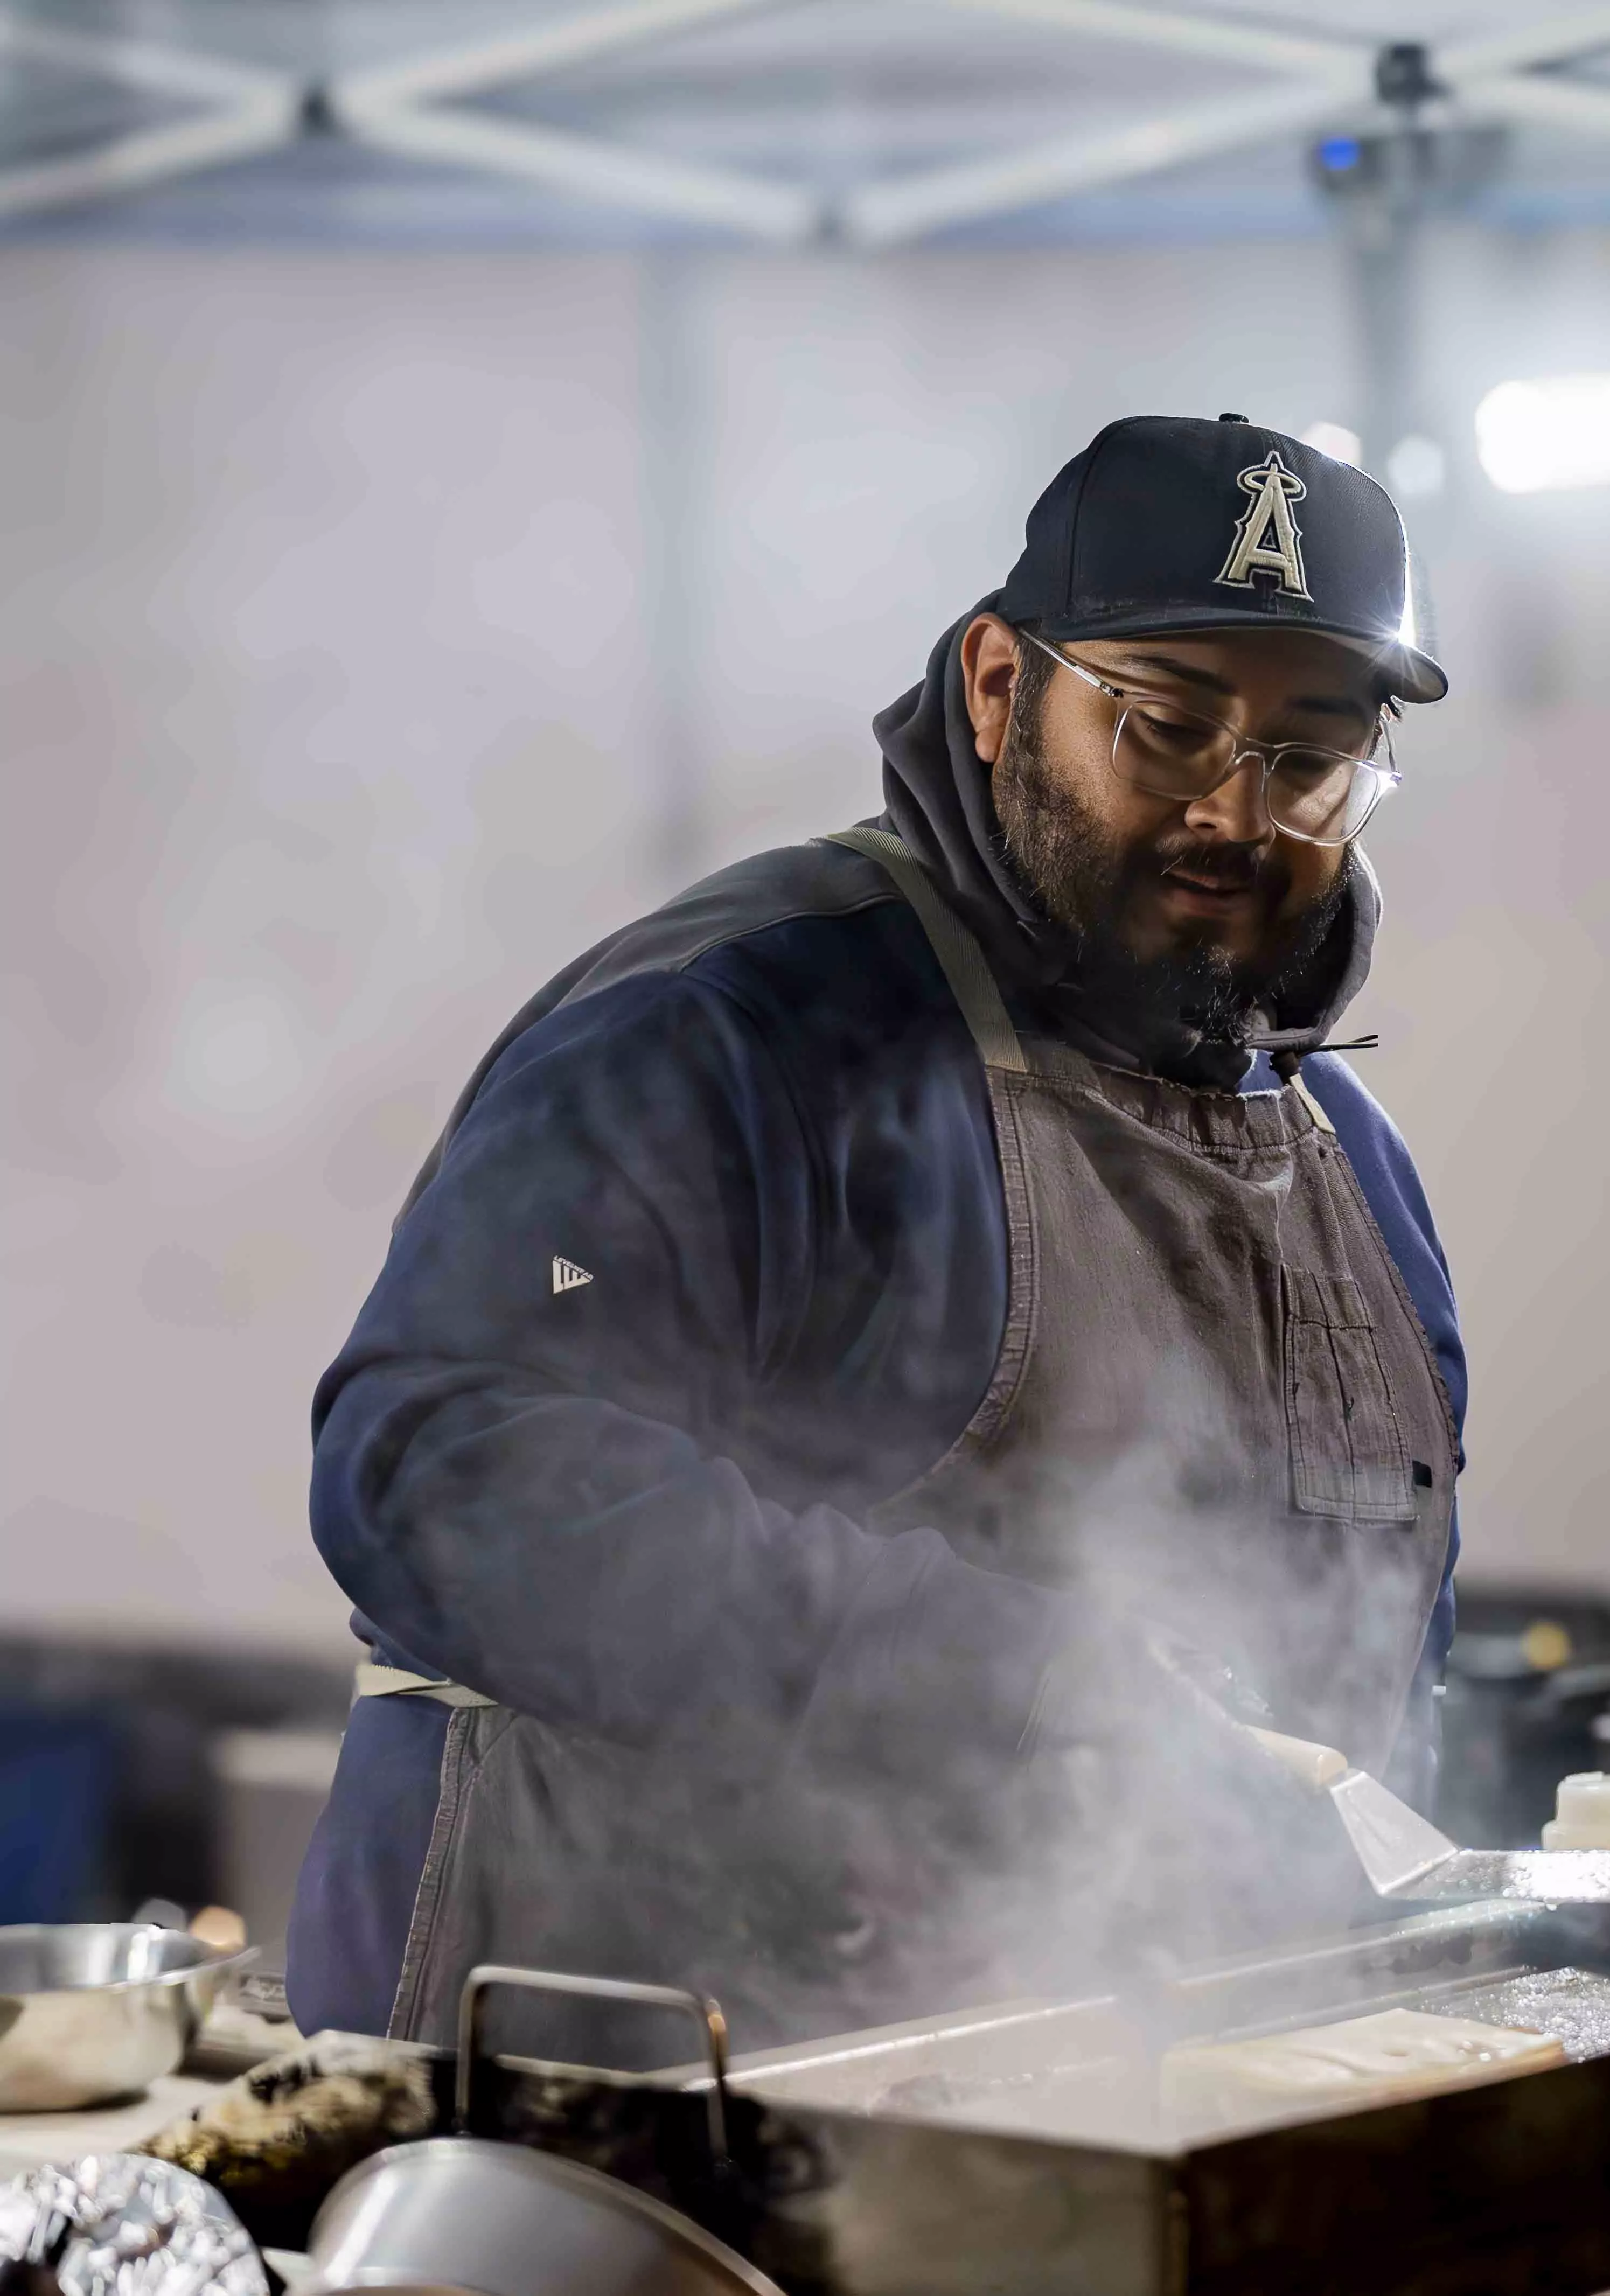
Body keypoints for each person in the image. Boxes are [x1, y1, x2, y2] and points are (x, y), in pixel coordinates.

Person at [287, 416, 1465, 2051]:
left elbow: (1378, 1660)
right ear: (999, 687)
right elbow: (437, 1464)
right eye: (1170, 725)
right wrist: (1016, 1681)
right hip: (627, 2106)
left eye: (1309, 756)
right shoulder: (741, 1031)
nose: (1234, 813)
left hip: (1103, 2119)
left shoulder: (1355, 1169)